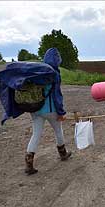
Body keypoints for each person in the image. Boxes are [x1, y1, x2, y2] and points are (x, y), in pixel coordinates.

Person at [25, 47, 71, 175]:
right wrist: (61, 112)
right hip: (50, 110)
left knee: (36, 134)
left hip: (34, 109)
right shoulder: (54, 73)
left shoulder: (37, 72)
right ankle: (63, 154)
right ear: (56, 59)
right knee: (58, 131)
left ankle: (29, 162)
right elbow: (57, 95)